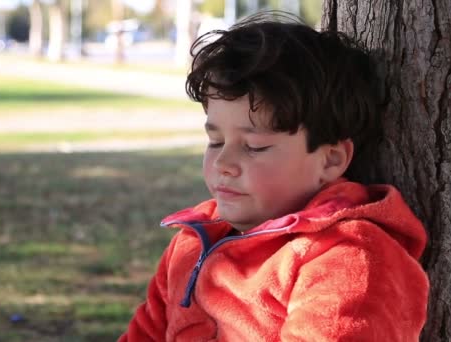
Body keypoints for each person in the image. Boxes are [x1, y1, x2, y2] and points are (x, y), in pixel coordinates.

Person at [119, 12, 429, 342]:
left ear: (330, 160)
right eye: (216, 141)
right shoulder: (191, 243)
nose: (224, 162)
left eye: (254, 146)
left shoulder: (349, 260)